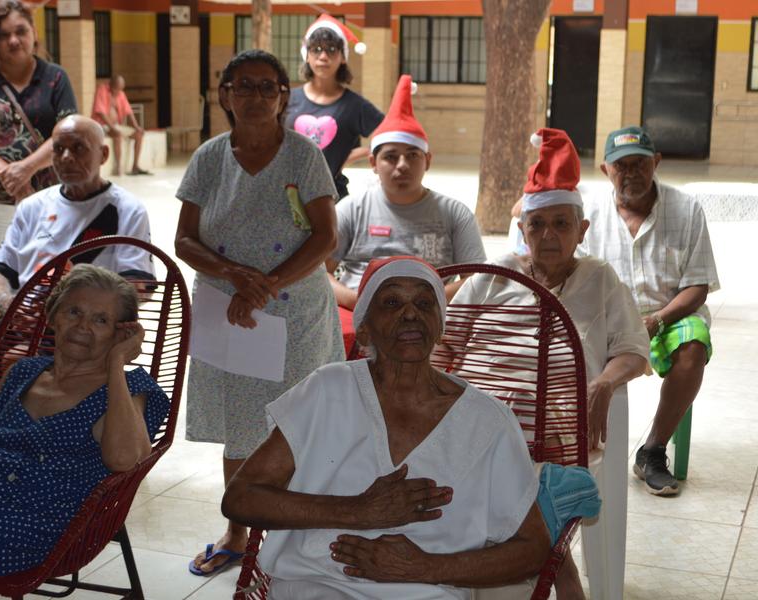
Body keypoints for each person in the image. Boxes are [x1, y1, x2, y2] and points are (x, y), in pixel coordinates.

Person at [223, 256, 555, 600]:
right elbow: (241, 498)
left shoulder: (488, 421)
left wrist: (426, 568)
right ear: (364, 328)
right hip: (314, 587)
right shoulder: (328, 390)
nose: (410, 314)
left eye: (425, 303)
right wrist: (357, 511)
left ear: (440, 327)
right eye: (392, 302)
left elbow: (533, 550)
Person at [454, 128, 649, 600]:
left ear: (582, 231)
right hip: (476, 426)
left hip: (555, 434)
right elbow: (448, 346)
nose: (549, 235)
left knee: (515, 478)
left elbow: (634, 351)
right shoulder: (494, 278)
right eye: (538, 224)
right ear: (522, 229)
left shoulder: (600, 280)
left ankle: (541, 563)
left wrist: (604, 382)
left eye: (562, 224)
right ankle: (554, 566)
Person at [175, 49, 344, 576]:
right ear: (224, 94)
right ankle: (238, 533)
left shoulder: (302, 156)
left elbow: (325, 236)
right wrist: (235, 276)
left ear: (282, 97)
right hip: (230, 316)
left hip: (295, 315)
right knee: (239, 426)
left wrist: (263, 285)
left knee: (299, 422)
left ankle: (299, 539)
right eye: (241, 86)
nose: (253, 96)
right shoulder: (208, 157)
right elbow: (184, 239)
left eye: (265, 87)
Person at [0, 264, 170, 580]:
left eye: (101, 320)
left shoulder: (126, 390)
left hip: (25, 521)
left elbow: (124, 459)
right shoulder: (23, 373)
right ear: (54, 315)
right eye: (73, 312)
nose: (83, 326)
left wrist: (116, 365)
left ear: (120, 332)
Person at [0, 115, 155, 402]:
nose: (66, 157)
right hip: (21, 321)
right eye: (59, 149)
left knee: (18, 364)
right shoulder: (32, 207)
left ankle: (0, 439)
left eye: (78, 148)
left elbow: (140, 285)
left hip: (82, 330)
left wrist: (79, 300)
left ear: (103, 154)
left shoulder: (125, 209)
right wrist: (7, 303)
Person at [582, 126, 719, 497]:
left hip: (667, 318)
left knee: (694, 344)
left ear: (656, 163)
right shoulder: (587, 214)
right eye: (620, 166)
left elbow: (697, 286)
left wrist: (657, 320)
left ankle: (653, 451)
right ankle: (576, 447)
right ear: (605, 170)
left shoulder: (686, 209)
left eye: (639, 164)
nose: (630, 174)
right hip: (606, 320)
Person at [327, 75, 486, 350]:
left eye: (412, 155)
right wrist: (359, 301)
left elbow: (476, 279)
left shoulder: (454, 213)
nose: (402, 165)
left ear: (428, 161)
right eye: (390, 156)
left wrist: (424, 301)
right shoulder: (351, 209)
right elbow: (320, 273)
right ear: (373, 163)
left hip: (431, 321)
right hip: (360, 320)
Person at [0, 0, 77, 275]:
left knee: (55, 281)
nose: (13, 40)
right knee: (0, 282)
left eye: (20, 31)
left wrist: (27, 168)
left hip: (50, 199)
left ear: (34, 33)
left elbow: (67, 132)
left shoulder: (55, 78)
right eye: (3, 34)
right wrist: (6, 172)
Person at [285, 14, 384, 199]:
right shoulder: (287, 99)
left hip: (333, 197)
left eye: (331, 50)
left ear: (343, 57)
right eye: (316, 49)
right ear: (306, 55)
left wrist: (347, 157)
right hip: (287, 196)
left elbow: (389, 134)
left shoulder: (354, 105)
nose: (323, 56)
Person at [91, 75, 150, 176]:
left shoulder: (120, 94)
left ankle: (135, 166)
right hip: (102, 125)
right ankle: (118, 167)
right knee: (117, 135)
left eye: (120, 89)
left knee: (139, 135)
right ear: (111, 85)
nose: (118, 92)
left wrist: (136, 127)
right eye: (116, 89)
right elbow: (100, 112)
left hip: (116, 125)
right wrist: (112, 127)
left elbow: (129, 111)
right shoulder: (102, 90)